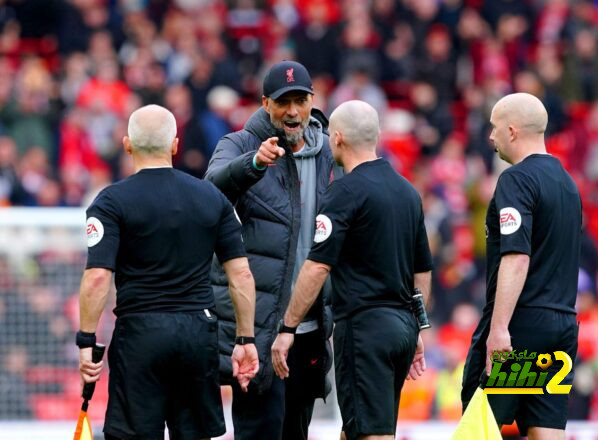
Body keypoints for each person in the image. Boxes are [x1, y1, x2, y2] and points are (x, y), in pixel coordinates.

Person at [76, 104, 259, 440]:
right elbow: (241, 275)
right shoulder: (213, 198)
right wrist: (245, 339)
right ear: (175, 144)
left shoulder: (110, 202)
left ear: (127, 144)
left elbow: (98, 277)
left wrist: (87, 340)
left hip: (140, 333)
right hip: (197, 333)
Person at [271, 100, 434, 440]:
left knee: (371, 434)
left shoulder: (344, 192)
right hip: (402, 327)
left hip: (365, 329)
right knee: (357, 427)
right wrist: (418, 325)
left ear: (339, 138)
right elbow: (423, 271)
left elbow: (316, 267)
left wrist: (288, 327)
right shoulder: (407, 192)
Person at [203, 60, 338, 440]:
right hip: (258, 329)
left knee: (297, 430)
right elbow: (210, 190)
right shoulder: (239, 143)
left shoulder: (329, 150)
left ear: (312, 100)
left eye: (300, 100)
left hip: (308, 327)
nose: (293, 111)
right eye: (283, 102)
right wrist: (254, 163)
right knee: (258, 432)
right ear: (265, 104)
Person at [460, 93, 581, 439]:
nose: (490, 136)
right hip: (561, 326)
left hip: (520, 327)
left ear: (512, 131)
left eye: (494, 128)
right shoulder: (568, 184)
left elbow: (517, 255)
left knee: (479, 430)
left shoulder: (516, 180)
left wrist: (499, 329)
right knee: (547, 429)